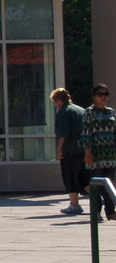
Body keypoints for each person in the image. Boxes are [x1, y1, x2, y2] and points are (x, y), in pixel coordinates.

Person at [81, 83, 116, 221]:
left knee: (110, 184)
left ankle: (110, 211)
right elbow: (86, 134)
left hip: (110, 155)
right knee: (96, 184)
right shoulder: (89, 112)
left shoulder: (111, 112)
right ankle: (96, 211)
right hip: (96, 155)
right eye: (100, 94)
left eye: (106, 94)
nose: (103, 97)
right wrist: (88, 152)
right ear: (94, 96)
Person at [51, 88, 88, 216]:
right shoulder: (80, 110)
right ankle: (100, 197)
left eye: (54, 102)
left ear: (58, 101)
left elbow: (63, 133)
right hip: (83, 149)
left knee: (70, 177)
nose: (55, 105)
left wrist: (59, 149)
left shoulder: (63, 112)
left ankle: (75, 205)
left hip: (70, 150)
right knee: (84, 179)